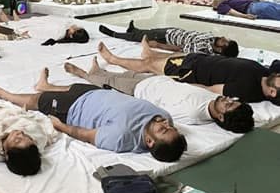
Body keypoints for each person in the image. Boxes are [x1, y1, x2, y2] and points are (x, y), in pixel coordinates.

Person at [0, 68, 187, 163]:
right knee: (69, 87)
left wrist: (60, 126)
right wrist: (166, 126)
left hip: (73, 108)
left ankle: (2, 93)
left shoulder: (121, 137)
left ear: (149, 141)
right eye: (171, 128)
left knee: (38, 100)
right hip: (95, 93)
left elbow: (85, 134)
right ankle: (46, 86)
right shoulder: (165, 117)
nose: (166, 123)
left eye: (163, 130)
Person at [64, 58, 254, 133]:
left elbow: (162, 111)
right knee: (118, 75)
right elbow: (193, 87)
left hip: (140, 90)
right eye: (233, 101)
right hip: (156, 81)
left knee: (110, 82)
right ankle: (97, 71)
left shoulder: (193, 113)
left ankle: (83, 74)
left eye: (229, 105)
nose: (228, 99)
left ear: (221, 117)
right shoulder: (212, 100)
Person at [97, 38, 280, 105]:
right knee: (158, 59)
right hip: (202, 60)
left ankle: (113, 60)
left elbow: (211, 90)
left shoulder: (248, 90)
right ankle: (150, 53)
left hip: (190, 71)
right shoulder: (265, 74)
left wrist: (183, 82)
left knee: (149, 65)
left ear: (272, 92)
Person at [99, 21, 239, 57]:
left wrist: (158, 45)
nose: (222, 37)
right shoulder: (212, 38)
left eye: (224, 41)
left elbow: (177, 49)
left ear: (220, 48)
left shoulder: (201, 49)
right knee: (149, 31)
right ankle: (133, 29)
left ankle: (115, 34)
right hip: (174, 31)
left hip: (166, 38)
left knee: (141, 37)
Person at [0, 11, 89, 46]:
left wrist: (28, 34)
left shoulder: (59, 34)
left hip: (44, 29)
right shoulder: (66, 28)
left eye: (76, 29)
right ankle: (18, 22)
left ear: (71, 35)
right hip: (47, 24)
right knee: (40, 22)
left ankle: (10, 23)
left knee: (36, 27)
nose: (76, 26)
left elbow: (43, 34)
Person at [213, 0, 280, 21]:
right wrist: (245, 16)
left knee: (276, 8)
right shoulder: (221, 5)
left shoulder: (229, 0)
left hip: (256, 4)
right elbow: (231, 11)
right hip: (253, 7)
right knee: (275, 10)